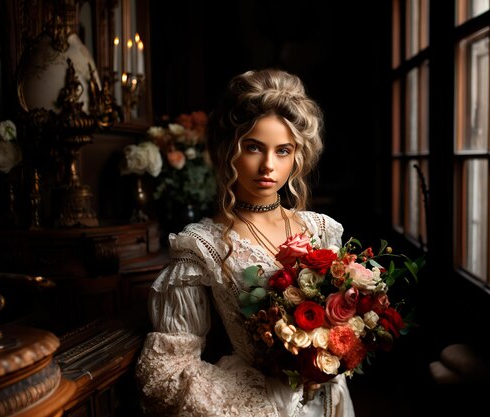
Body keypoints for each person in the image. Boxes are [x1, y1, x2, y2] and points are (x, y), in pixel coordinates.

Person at [135, 68, 355, 416]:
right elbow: (166, 371)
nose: (269, 165)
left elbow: (346, 326)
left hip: (331, 400)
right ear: (229, 150)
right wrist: (260, 402)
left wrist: (331, 360)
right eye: (254, 147)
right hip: (261, 405)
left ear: (298, 155)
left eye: (283, 151)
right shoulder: (201, 246)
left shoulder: (321, 230)